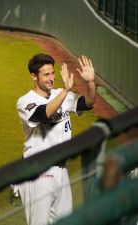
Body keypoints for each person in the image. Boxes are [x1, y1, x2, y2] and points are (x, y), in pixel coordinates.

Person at [16, 53, 96, 225]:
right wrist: (66, 91)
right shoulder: (25, 101)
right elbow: (43, 114)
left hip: (62, 171)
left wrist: (90, 82)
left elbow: (88, 103)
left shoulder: (61, 94)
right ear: (33, 76)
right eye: (46, 75)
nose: (51, 78)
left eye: (52, 73)